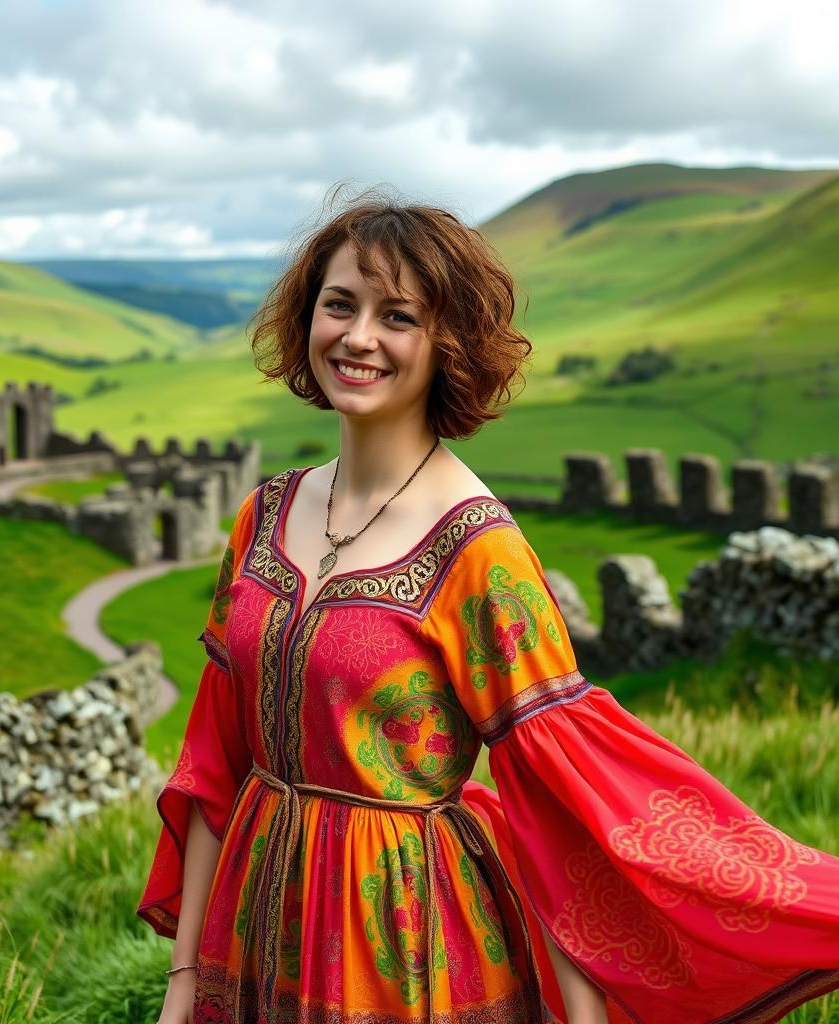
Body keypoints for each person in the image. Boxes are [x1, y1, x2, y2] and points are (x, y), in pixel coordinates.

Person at [137, 187, 839, 1024]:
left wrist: (581, 1017)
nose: (359, 337)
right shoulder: (265, 514)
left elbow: (559, 799)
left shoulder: (479, 551)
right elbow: (215, 758)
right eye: (339, 305)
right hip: (251, 927)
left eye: (398, 316)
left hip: (403, 944)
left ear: (447, 347)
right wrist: (184, 985)